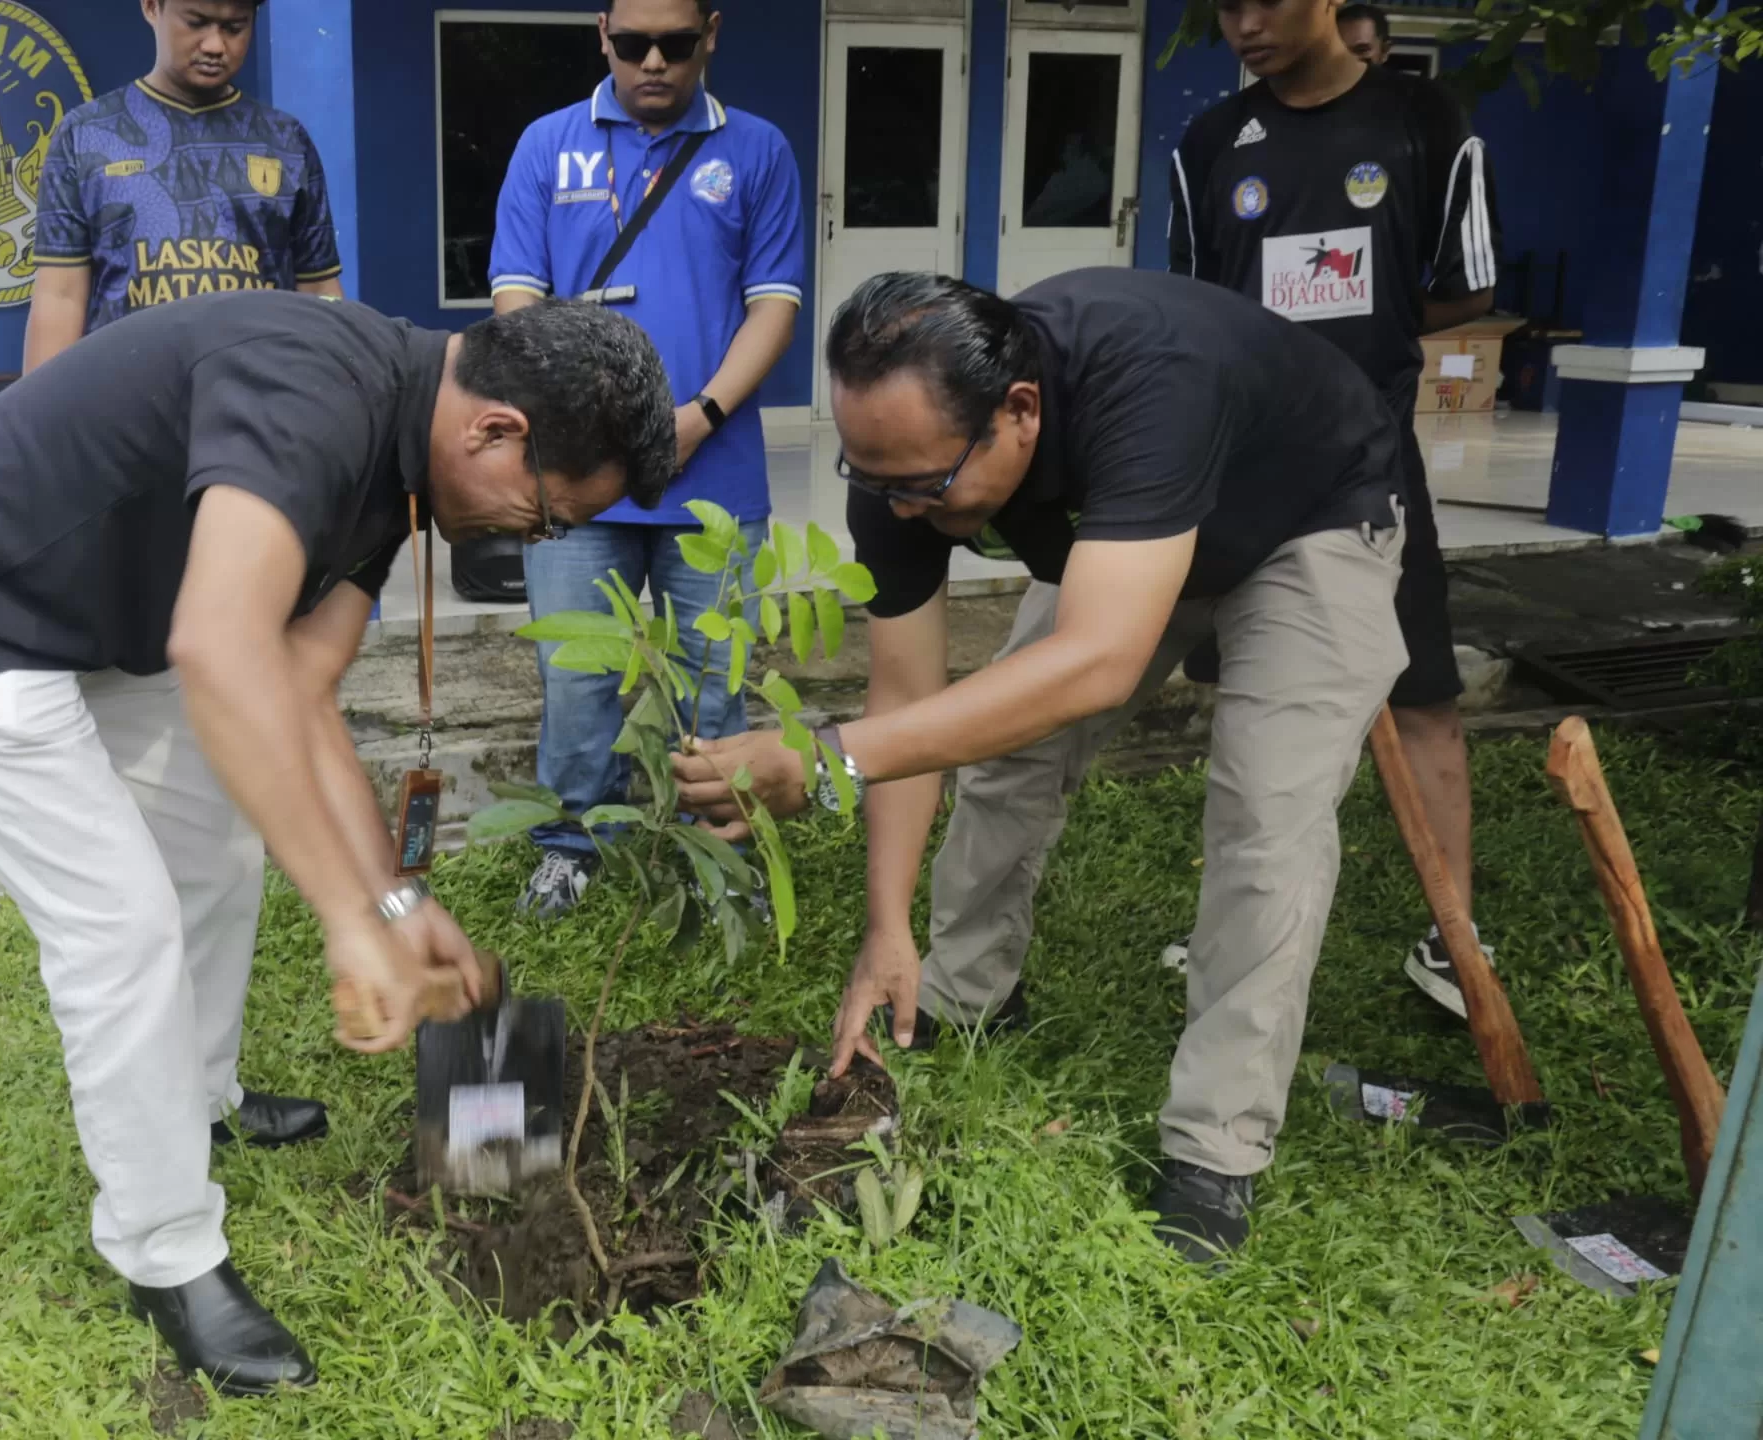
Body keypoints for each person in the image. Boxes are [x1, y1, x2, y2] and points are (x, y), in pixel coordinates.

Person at [0, 291, 675, 1392]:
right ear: (495, 431)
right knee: (119, 926)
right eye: (546, 514)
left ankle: (200, 1102)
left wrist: (396, 900)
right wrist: (346, 921)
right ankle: (166, 1252)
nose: (534, 538)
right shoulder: (313, 394)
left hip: (94, 623)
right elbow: (221, 648)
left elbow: (300, 685)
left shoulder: (403, 464)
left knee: (217, 849)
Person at [675, 270, 1411, 1262]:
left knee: (1264, 820)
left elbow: (1099, 662)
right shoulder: (899, 463)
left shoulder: (1150, 381)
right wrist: (886, 928)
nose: (897, 511)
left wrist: (825, 758)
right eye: (872, 481)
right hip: (1130, 539)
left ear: (1020, 412)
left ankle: (1215, 1147)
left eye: (923, 486)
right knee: (1002, 752)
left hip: (1303, 516)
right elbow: (908, 707)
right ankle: (963, 988)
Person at [1168, 0, 1501, 1018]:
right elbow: (1191, 307)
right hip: (1245, 472)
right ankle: (1232, 924)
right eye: (1226, 7)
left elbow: (1465, 288)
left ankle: (1453, 938)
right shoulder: (1210, 142)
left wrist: (1374, 328)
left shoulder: (1424, 121)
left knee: (1424, 696)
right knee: (1251, 700)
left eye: (1265, 0)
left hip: (1373, 467)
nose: (1245, 24)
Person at [489, 0, 805, 919]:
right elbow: (516, 298)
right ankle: (572, 842)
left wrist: (698, 417)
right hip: (576, 478)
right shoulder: (547, 146)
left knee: (714, 680)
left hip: (714, 472)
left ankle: (715, 846)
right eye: (633, 44)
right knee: (577, 676)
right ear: (602, 35)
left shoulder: (757, 151)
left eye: (675, 42)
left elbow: (774, 305)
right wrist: (582, 414)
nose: (654, 62)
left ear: (712, 32)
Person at [21, 0, 343, 371]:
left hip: (260, 392)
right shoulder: (85, 136)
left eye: (234, 28)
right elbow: (60, 296)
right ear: (151, 7)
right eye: (196, 22)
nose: (215, 45)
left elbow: (320, 290)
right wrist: (39, 407)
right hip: (126, 393)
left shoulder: (286, 141)